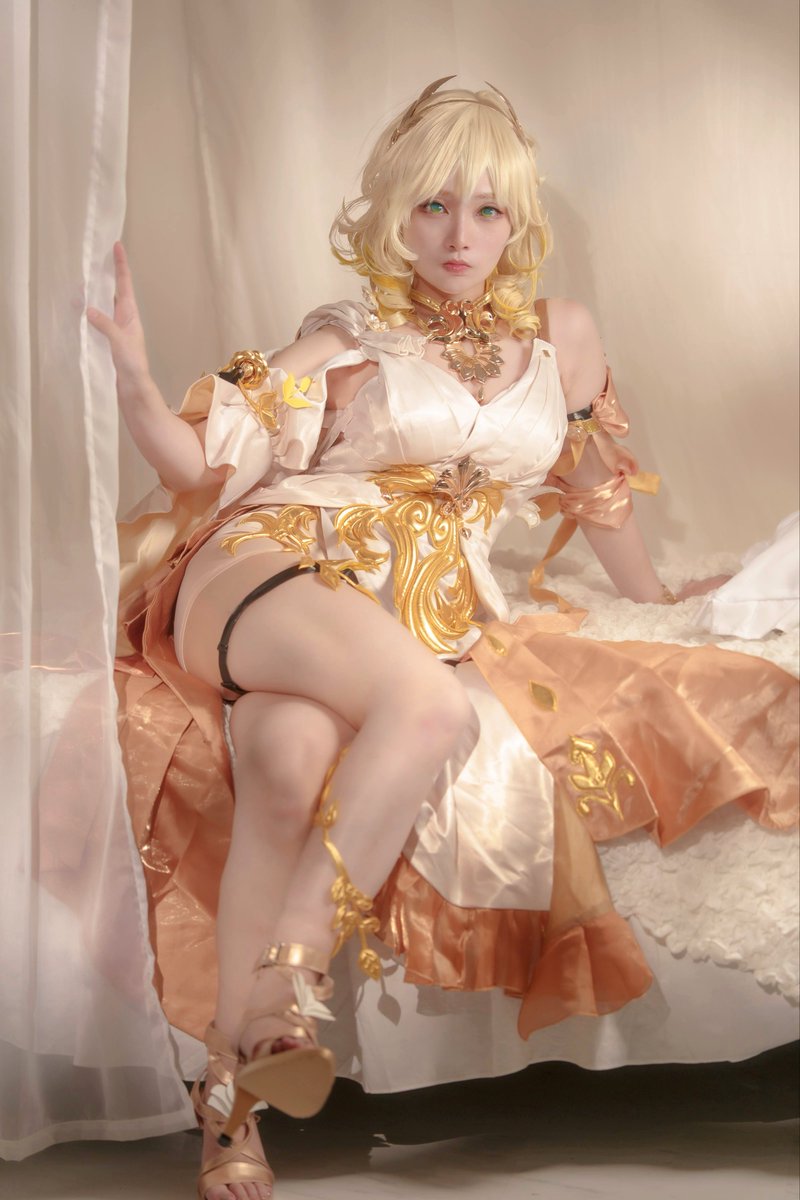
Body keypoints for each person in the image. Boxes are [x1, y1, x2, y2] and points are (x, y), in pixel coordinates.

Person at [88, 80, 797, 1200]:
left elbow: (590, 485)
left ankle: (228, 1101)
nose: (457, 235)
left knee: (284, 761)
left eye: (485, 209)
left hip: (407, 615)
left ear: (517, 221)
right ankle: (286, 989)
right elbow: (202, 465)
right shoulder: (346, 333)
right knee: (424, 707)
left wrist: (658, 593)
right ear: (394, 214)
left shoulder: (559, 338)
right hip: (271, 564)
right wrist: (134, 381)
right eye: (431, 206)